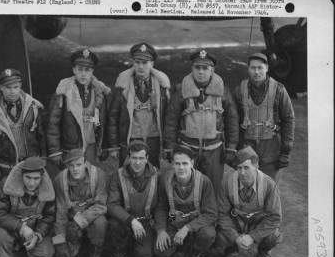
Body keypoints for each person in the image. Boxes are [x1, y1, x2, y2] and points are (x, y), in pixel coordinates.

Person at [163, 49, 238, 193]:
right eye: (197, 67)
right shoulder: (181, 91)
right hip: (187, 148)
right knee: (187, 185)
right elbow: (171, 120)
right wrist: (170, 146)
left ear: (212, 70)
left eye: (205, 68)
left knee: (213, 187)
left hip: (214, 149)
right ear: (192, 68)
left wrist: (231, 147)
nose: (201, 71)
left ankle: (211, 214)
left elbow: (232, 120)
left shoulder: (223, 91)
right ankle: (186, 213)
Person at [216, 146, 282, 257]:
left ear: (256, 167)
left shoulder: (269, 185)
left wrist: (252, 236)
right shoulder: (227, 182)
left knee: (273, 235)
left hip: (257, 223)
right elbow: (222, 213)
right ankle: (233, 246)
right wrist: (235, 237)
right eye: (239, 168)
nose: (242, 172)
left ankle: (263, 252)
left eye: (246, 168)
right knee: (218, 234)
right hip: (237, 222)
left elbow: (274, 217)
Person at [154, 144, 217, 257]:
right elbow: (161, 208)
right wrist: (161, 230)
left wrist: (187, 228)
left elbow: (211, 213)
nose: (181, 167)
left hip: (197, 225)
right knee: (160, 251)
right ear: (172, 164)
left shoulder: (204, 181)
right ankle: (183, 245)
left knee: (208, 234)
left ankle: (197, 254)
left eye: (185, 163)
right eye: (177, 163)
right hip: (174, 223)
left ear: (192, 163)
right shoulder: (165, 180)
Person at [0, 157, 56, 257]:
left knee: (46, 253)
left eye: (36, 178)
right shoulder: (6, 184)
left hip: (34, 229)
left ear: (42, 177)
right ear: (21, 175)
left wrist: (37, 235)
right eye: (28, 178)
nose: (32, 183)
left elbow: (49, 216)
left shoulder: (48, 188)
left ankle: (25, 250)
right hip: (11, 228)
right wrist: (21, 227)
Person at [233, 52, 295, 181]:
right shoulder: (239, 90)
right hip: (246, 146)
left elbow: (288, 119)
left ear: (267, 68)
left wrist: (286, 151)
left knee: (269, 188)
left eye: (260, 67)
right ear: (248, 69)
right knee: (247, 186)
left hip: (271, 146)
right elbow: (232, 121)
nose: (256, 72)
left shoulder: (279, 90)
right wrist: (233, 148)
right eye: (253, 68)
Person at [107, 42, 171, 168]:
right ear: (133, 63)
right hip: (130, 139)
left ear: (152, 64)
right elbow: (113, 116)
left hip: (154, 139)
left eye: (145, 62)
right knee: (128, 173)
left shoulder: (162, 87)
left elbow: (169, 117)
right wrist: (113, 146)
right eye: (137, 62)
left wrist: (168, 145)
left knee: (153, 174)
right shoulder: (123, 86)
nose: (141, 66)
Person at [47, 48, 111, 172]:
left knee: (91, 177)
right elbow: (53, 123)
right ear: (73, 70)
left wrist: (104, 146)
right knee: (72, 178)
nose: (83, 74)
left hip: (92, 145)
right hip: (72, 147)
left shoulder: (99, 92)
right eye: (79, 69)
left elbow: (104, 121)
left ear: (92, 71)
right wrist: (55, 151)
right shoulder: (63, 92)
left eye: (87, 70)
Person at [0, 68, 47, 177]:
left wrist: (43, 157)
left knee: (32, 191)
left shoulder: (33, 107)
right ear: (1, 87)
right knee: (8, 192)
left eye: (16, 87)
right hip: (5, 166)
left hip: (31, 162)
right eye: (8, 87)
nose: (12, 91)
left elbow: (42, 135)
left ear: (20, 86)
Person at [52, 149, 108, 257]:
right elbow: (60, 211)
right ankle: (76, 245)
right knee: (66, 256)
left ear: (85, 163)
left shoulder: (99, 175)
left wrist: (79, 221)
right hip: (71, 218)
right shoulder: (60, 179)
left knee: (101, 223)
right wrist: (60, 240)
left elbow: (101, 205)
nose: (75, 169)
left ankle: (95, 254)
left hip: (93, 215)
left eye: (78, 165)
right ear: (67, 166)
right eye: (71, 166)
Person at [107, 140, 160, 257]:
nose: (137, 162)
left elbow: (161, 206)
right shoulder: (117, 176)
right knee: (114, 225)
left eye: (141, 158)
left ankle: (133, 242)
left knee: (145, 255)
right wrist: (131, 221)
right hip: (124, 221)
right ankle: (119, 251)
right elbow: (112, 205)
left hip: (146, 222)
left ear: (147, 159)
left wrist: (159, 228)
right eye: (134, 158)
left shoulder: (157, 176)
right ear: (128, 158)